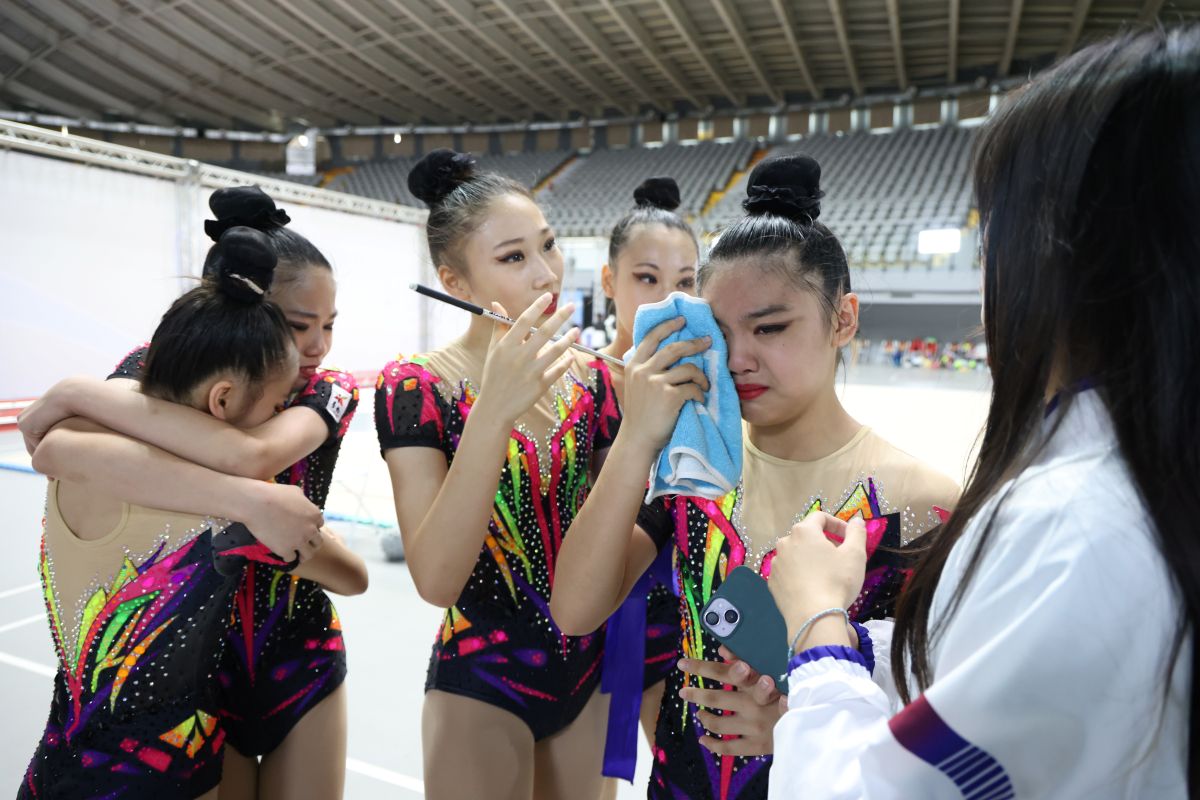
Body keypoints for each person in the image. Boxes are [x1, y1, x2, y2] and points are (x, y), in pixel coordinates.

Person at [766, 25, 1198, 798]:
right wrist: (860, 648)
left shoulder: (1075, 524)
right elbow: (1001, 668)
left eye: (770, 326)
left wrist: (817, 630)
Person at [551, 153, 958, 799]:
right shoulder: (697, 471)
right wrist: (638, 439)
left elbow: (955, 726)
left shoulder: (921, 502)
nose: (739, 358)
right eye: (720, 332)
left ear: (843, 318)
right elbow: (574, 609)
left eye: (770, 327)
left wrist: (796, 723)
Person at [20, 187, 366, 799]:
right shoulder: (154, 373)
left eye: (330, 326)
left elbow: (252, 455)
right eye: (296, 327)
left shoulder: (323, 391)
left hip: (294, 647)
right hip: (197, 673)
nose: (316, 348)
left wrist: (75, 391)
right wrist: (249, 506)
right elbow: (60, 451)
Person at [374, 150, 620, 800]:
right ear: (455, 283)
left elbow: (615, 539)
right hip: (484, 679)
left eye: (548, 246)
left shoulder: (593, 380)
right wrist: (493, 414)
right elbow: (435, 577)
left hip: (592, 674)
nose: (546, 274)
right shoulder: (417, 386)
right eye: (513, 258)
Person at [597, 176, 698, 762]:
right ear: (610, 280)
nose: (666, 298)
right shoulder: (571, 385)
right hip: (596, 616)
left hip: (689, 616)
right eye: (646, 278)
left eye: (684, 282)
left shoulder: (707, 388)